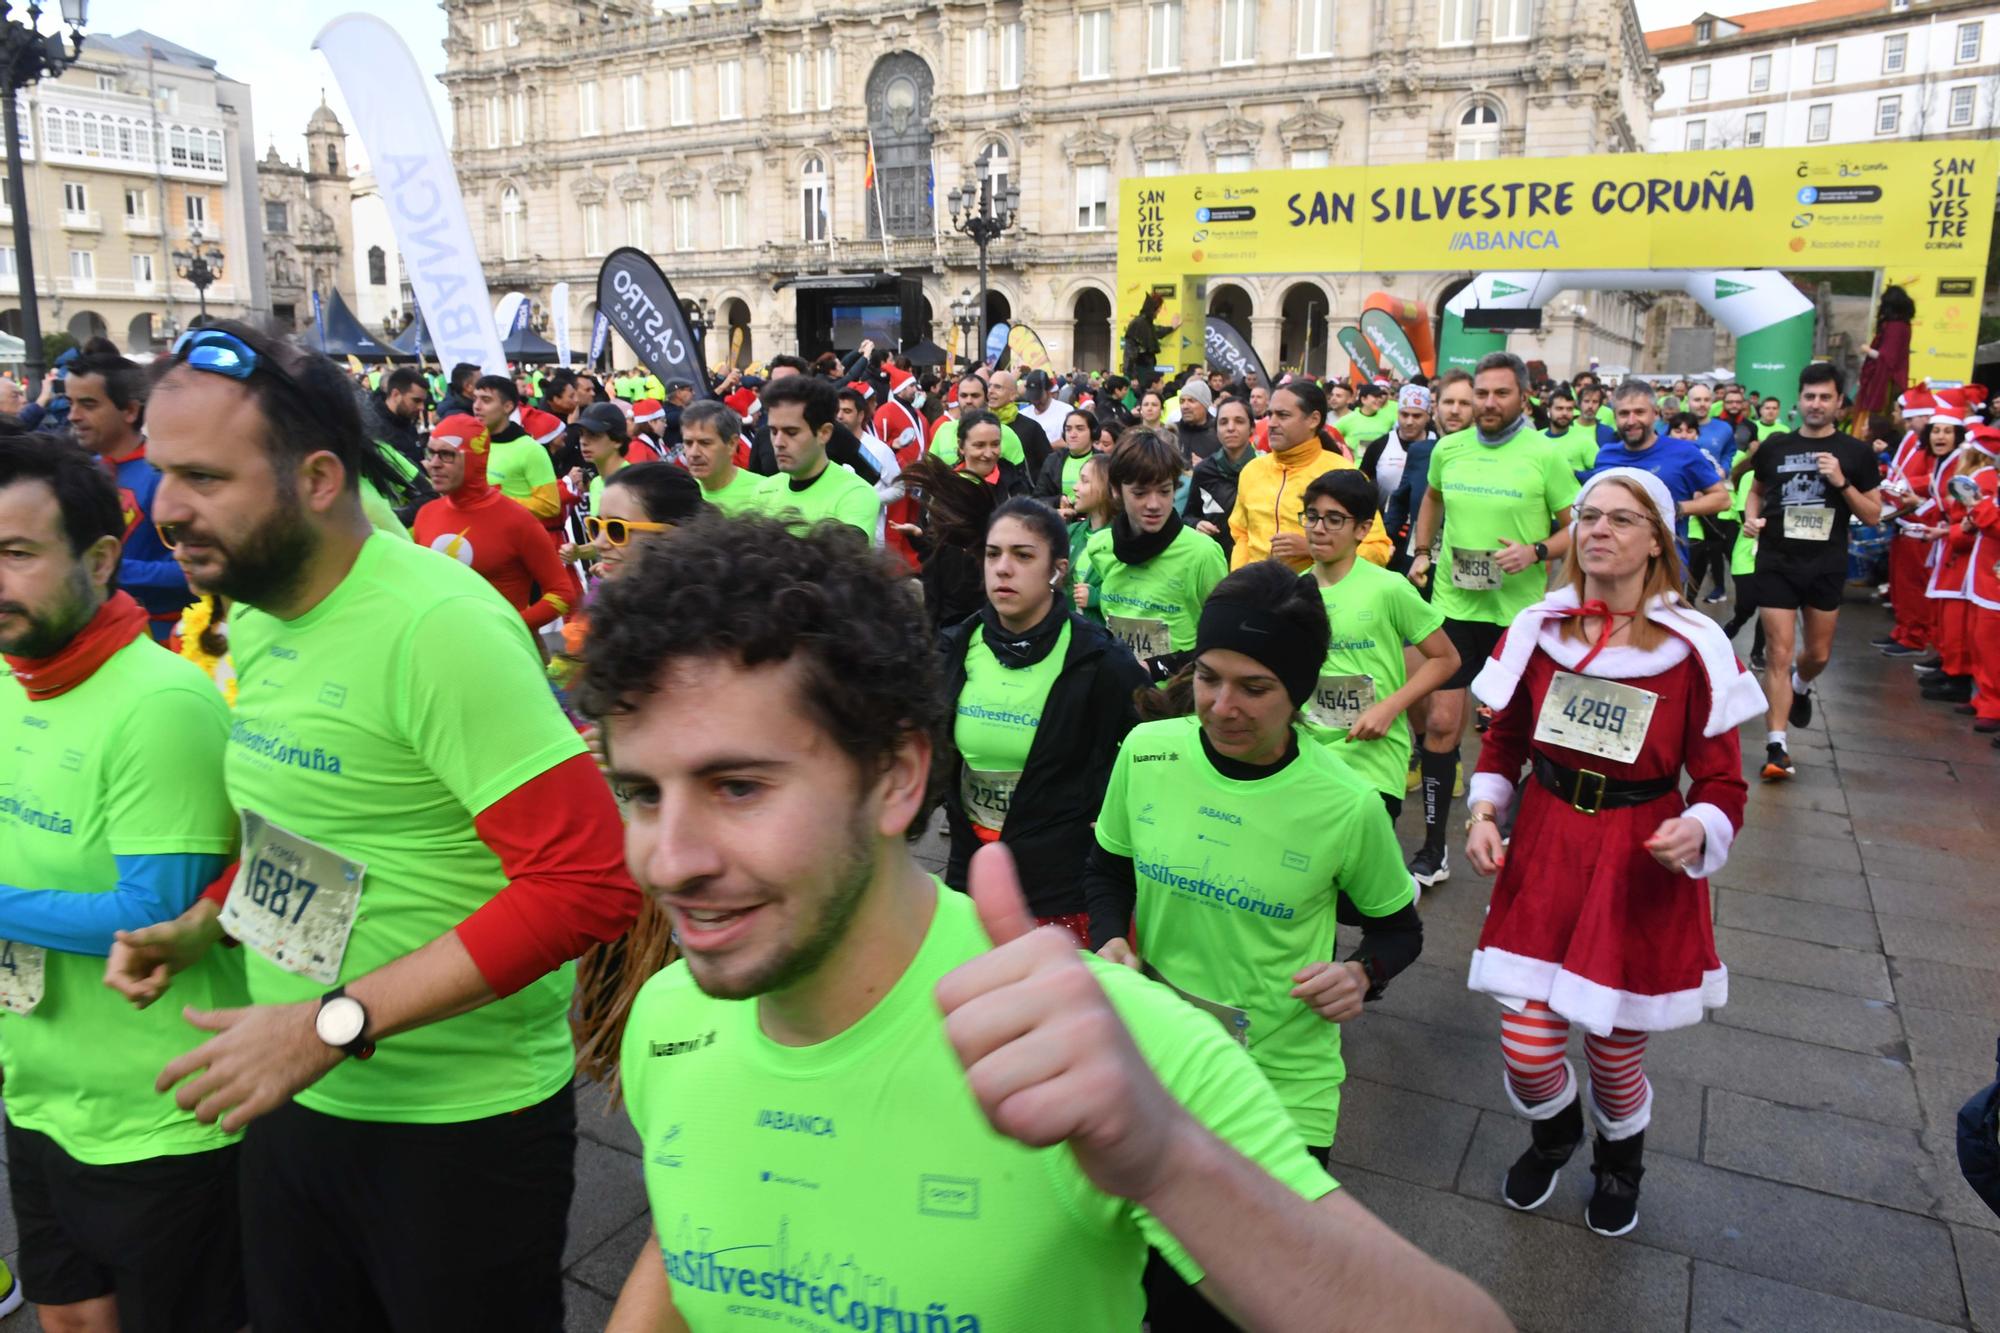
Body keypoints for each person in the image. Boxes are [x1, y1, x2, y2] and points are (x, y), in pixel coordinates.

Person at [586, 516, 1508, 1333]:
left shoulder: (1124, 1048)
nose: (670, 860)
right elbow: (695, 1239)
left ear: (900, 778)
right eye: (638, 792)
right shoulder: (668, 1015)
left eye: (738, 786)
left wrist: (1168, 1159)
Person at [105, 322, 641, 1330]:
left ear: (315, 479)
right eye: (162, 471)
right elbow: (304, 824)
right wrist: (208, 920)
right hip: (293, 1097)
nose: (164, 508)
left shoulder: (437, 626)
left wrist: (328, 1023)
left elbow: (586, 884)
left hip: (453, 1133)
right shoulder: (259, 608)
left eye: (205, 478)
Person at [1082, 562, 1424, 1302]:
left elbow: (1400, 930)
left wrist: (1363, 974)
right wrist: (1110, 936)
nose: (1222, 705)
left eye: (1255, 687)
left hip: (1280, 1085)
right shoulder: (1148, 753)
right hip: (1158, 1063)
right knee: (1152, 1286)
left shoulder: (1346, 804)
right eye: (1208, 678)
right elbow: (1106, 868)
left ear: (1298, 691)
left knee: (1248, 1298)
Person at [1463, 467, 1765, 1238]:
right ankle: (1556, 1130)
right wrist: (1486, 810)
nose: (1598, 530)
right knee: (1529, 1045)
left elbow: (1724, 779)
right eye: (1590, 516)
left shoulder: (1694, 648)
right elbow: (1502, 738)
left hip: (1638, 860)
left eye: (1621, 520)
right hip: (1549, 843)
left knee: (1613, 1049)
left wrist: (1700, 827)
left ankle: (1621, 1159)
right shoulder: (1539, 626)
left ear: (1657, 542)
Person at [0, 433, 248, 1330]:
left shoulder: (159, 705)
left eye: (17, 553)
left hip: (162, 1116)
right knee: (64, 1317)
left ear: (103, 559)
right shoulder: (9, 677)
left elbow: (154, 911)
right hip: (37, 1091)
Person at [938, 498, 1148, 943]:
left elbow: (1146, 746)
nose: (1003, 569)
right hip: (968, 872)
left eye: (1023, 555)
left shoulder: (1098, 658)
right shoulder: (955, 646)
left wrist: (1114, 811)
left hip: (1057, 890)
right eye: (993, 554)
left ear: (1058, 569)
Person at [1405, 351, 1578, 888]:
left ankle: (1522, 838)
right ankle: (1434, 850)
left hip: (1518, 618)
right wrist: (1422, 550)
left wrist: (1536, 551)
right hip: (1457, 607)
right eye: (1481, 393)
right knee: (1438, 725)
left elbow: (1575, 528)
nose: (1488, 403)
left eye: (1501, 393)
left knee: (1526, 734)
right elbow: (1432, 498)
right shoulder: (1449, 450)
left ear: (1523, 397)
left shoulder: (1544, 456)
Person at [1741, 362, 1883, 780]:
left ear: (1839, 402)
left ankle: (1802, 687)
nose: (1816, 404)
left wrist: (1841, 482)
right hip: (1777, 561)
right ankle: (1776, 747)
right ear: (1798, 401)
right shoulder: (1775, 447)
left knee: (1817, 654)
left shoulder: (1855, 453)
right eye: (1809, 396)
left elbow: (1873, 515)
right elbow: (1756, 491)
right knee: (1777, 654)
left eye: (1825, 397)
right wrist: (1751, 519)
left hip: (1825, 564)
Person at [1301, 470, 1459, 815]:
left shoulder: (1389, 588)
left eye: (1334, 519)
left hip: (1372, 758)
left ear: (1361, 529)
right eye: (1312, 516)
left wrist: (1389, 708)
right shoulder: (1295, 589)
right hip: (1309, 755)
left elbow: (1446, 659)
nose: (1318, 528)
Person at [1077, 427, 1228, 674]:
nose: (1154, 504)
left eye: (1165, 491)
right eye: (1140, 492)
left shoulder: (1203, 553)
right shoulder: (1099, 546)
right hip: (1122, 693)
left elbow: (1222, 637)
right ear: (1116, 490)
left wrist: (1159, 666)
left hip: (1176, 700)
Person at [65, 350, 191, 642]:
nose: (73, 415)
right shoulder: (83, 472)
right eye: (70, 403)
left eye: (88, 404)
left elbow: (190, 570)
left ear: (130, 411)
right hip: (94, 635)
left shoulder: (164, 475)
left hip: (164, 640)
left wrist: (108, 567)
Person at [412, 414, 576, 633]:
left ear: (474, 459)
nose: (434, 464)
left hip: (504, 657)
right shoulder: (426, 515)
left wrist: (511, 627)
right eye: (431, 453)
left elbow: (562, 593)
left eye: (446, 455)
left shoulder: (516, 520)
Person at [1229, 381, 1391, 573]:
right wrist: (1239, 580)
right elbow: (1241, 535)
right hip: (1256, 592)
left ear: (1313, 420)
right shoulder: (1252, 470)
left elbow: (1378, 550)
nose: (1271, 423)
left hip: (1319, 596)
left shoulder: (1344, 474)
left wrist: (1313, 549)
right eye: (1270, 414)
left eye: (1283, 415)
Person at [1586, 382, 1730, 565]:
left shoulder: (1684, 452)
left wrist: (1677, 509)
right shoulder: (1606, 455)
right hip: (1614, 563)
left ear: (1655, 413)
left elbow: (1722, 499)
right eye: (1623, 413)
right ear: (1614, 417)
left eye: (1639, 412)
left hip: (1666, 566)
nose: (1631, 421)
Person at [752, 374, 883, 540]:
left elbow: (841, 561)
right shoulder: (763, 490)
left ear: (824, 433)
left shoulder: (856, 494)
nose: (778, 442)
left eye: (791, 432)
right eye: (773, 431)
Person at [1386, 376, 1464, 571]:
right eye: (1448, 402)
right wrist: (1386, 539)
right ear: (1436, 409)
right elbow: (1400, 500)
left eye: (1464, 403)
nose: (1454, 410)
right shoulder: (1420, 451)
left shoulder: (1488, 457)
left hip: (1465, 560)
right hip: (1418, 558)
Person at [470, 373, 562, 526]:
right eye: (475, 399)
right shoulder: (472, 444)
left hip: (515, 540)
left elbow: (550, 505)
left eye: (486, 400)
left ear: (508, 407)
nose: (476, 406)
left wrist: (496, 501)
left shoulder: (531, 450)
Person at [1184, 395, 1256, 561]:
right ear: (1216, 429)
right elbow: (1188, 516)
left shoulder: (1264, 468)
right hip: (1215, 559)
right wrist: (1196, 524)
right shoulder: (1204, 471)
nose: (1230, 428)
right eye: (1223, 422)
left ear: (1252, 428)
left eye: (1239, 421)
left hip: (1255, 562)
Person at [678, 398, 763, 516]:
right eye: (688, 443)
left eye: (705, 443)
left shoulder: (762, 493)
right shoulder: (679, 495)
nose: (694, 453)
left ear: (732, 444)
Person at [1854, 284, 1915, 442]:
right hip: (1890, 382)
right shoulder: (1905, 326)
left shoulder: (1895, 327)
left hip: (1884, 384)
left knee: (1878, 420)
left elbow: (1887, 358)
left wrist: (1867, 350)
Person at [930, 371, 1028, 467]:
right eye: (963, 396)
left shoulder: (1005, 433)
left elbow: (1020, 476)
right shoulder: (944, 430)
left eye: (975, 395)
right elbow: (930, 470)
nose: (968, 401)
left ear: (986, 398)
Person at [1067, 451, 1117, 626]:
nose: (1075, 487)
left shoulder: (1122, 538)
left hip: (1105, 638)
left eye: (1084, 481)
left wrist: (1097, 597)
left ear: (1106, 487)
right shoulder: (1071, 532)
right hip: (1070, 632)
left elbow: (1135, 591)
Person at [989, 369, 1053, 475]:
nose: (990, 391)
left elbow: (1048, 467)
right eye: (989, 386)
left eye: (998, 387)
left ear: (1013, 395)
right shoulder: (980, 424)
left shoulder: (1031, 428)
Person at [1037, 406, 1100, 502]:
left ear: (1093, 432)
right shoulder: (1052, 461)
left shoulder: (1103, 462)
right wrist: (1058, 502)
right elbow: (1038, 499)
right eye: (1068, 429)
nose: (1073, 434)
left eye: (1080, 429)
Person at [1122, 290, 1181, 384]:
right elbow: (1130, 353)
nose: (1158, 312)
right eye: (1158, 309)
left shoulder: (1146, 324)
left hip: (1147, 368)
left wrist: (1172, 328)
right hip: (1139, 370)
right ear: (1153, 309)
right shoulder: (1138, 323)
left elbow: (1156, 331)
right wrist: (1132, 376)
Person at [1332, 380, 1395, 453]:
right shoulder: (1347, 420)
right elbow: (1329, 437)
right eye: (1375, 396)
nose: (1379, 399)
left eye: (1380, 397)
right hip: (1354, 464)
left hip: (1379, 464)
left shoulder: (1388, 420)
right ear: (1363, 399)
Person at [1175, 379, 1221, 462]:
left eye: (1191, 401)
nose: (1185, 406)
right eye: (1182, 401)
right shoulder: (1172, 431)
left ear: (1205, 404)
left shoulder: (1219, 434)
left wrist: (1204, 467)